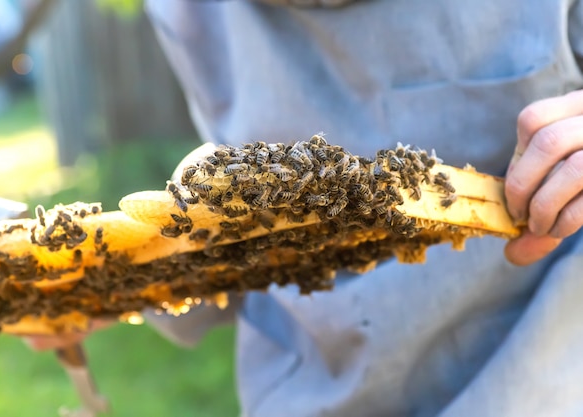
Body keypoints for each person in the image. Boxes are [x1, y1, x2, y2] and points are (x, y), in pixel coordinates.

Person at [32, 1, 583, 416]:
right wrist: (109, 278)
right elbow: (243, 232)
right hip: (302, 391)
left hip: (539, 378)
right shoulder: (187, 11)